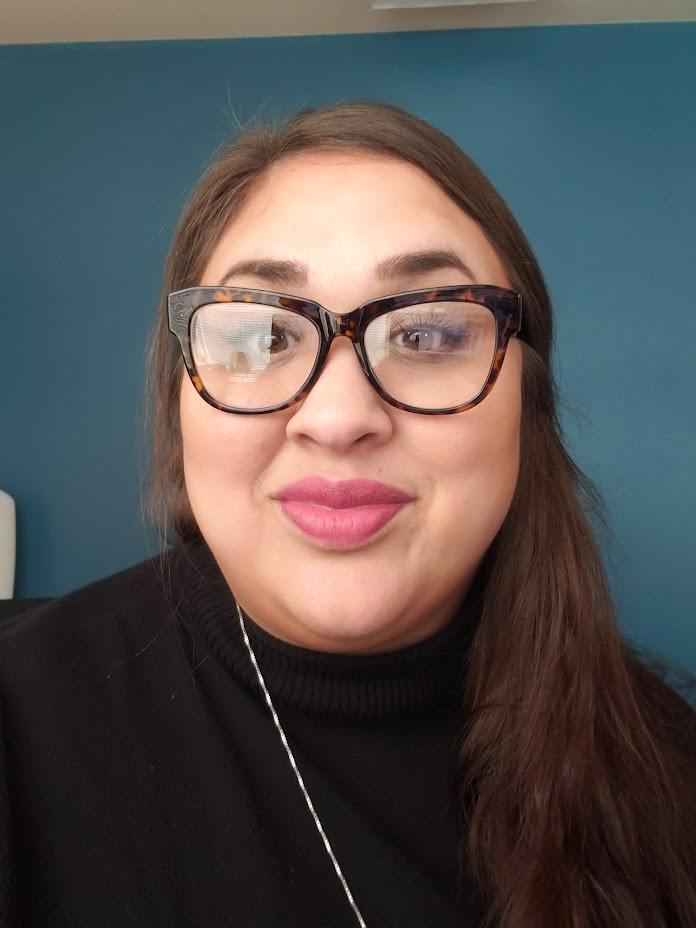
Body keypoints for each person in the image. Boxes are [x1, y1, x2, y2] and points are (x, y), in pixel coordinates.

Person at [0, 100, 694, 928]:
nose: (336, 417)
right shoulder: (21, 724)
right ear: (180, 400)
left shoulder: (666, 764)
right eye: (260, 336)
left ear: (525, 403)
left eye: (431, 333)